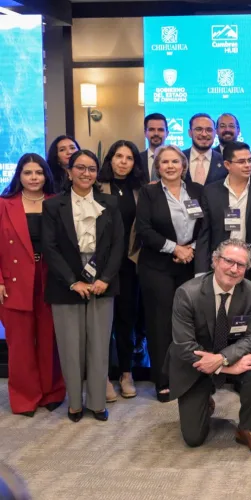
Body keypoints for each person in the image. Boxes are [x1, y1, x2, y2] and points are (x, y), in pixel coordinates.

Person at [42, 149, 124, 422]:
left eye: (91, 168)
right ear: (69, 172)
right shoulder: (53, 205)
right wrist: (72, 281)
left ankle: (98, 403)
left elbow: (118, 245)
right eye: (80, 167)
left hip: (102, 282)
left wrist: (105, 279)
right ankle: (75, 403)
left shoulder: (110, 203)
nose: (86, 173)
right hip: (65, 283)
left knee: (99, 346)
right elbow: (50, 248)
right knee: (70, 347)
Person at [168, 239, 251, 455]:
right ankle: (205, 400)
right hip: (194, 364)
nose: (234, 269)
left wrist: (222, 359)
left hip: (228, 355)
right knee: (193, 438)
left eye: (241, 265)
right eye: (228, 261)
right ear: (215, 261)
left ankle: (248, 429)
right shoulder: (187, 293)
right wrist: (225, 367)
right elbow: (185, 346)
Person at [136, 145, 204, 402]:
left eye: (175, 161)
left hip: (190, 264)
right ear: (158, 167)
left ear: (183, 165)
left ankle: (188, 375)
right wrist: (175, 248)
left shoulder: (196, 191)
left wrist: (191, 250)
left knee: (189, 322)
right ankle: (163, 379)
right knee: (160, 324)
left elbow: (206, 225)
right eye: (164, 162)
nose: (170, 166)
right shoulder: (149, 192)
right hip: (157, 266)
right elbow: (144, 229)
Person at [0, 153, 65, 416]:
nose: (34, 178)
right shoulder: (4, 205)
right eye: (28, 173)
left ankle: (52, 391)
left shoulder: (57, 202)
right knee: (20, 343)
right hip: (14, 279)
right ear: (19, 176)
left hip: (51, 276)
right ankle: (24, 397)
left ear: (46, 175)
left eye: (38, 172)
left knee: (51, 338)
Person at [97, 140, 148, 400]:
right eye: (119, 156)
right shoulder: (97, 186)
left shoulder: (141, 189)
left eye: (129, 158)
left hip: (130, 263)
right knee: (103, 322)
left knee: (126, 320)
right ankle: (104, 376)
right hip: (102, 265)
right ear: (110, 159)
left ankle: (126, 373)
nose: (123, 162)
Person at [196, 141, 251, 288]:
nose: (248, 165)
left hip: (250, 264)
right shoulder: (210, 191)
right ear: (227, 165)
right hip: (218, 264)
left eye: (250, 160)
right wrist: (200, 271)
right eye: (241, 162)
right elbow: (204, 233)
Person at [182, 113, 226, 185]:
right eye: (199, 129)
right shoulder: (179, 158)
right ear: (190, 133)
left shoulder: (224, 161)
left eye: (209, 130)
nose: (204, 134)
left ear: (215, 133)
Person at [142, 113, 168, 181]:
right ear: (145, 133)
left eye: (160, 130)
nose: (156, 133)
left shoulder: (177, 159)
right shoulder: (137, 159)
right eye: (151, 129)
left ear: (167, 133)